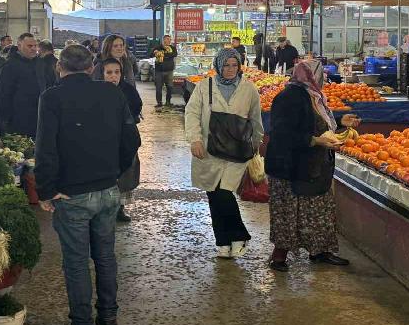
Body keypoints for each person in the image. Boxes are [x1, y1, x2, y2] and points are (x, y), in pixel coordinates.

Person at [35, 45, 140, 325]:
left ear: (59, 67)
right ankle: (108, 317)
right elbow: (132, 139)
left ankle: (81, 323)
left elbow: (45, 149)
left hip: (71, 194)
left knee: (76, 262)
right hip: (108, 190)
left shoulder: (51, 97)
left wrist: (46, 190)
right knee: (105, 257)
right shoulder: (112, 93)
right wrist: (114, 171)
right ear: (92, 67)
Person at [265, 60, 359, 272]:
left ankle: (320, 251)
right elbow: (281, 134)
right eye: (320, 75)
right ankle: (279, 256)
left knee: (318, 211)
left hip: (313, 166)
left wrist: (340, 122)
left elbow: (317, 123)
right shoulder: (288, 98)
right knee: (287, 213)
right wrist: (315, 141)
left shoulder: (315, 96)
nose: (323, 79)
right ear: (309, 76)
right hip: (289, 167)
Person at [184, 48, 264, 258]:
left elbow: (255, 119)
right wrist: (195, 139)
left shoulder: (249, 89)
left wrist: (256, 144)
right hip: (209, 150)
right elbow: (192, 113)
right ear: (218, 66)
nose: (230, 69)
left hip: (237, 151)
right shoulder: (204, 86)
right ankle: (222, 241)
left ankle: (239, 235)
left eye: (234, 65)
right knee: (213, 194)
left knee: (224, 192)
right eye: (226, 65)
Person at [100, 57, 143, 223]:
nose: (113, 76)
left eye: (117, 72)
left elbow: (137, 106)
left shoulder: (128, 90)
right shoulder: (96, 91)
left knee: (126, 174)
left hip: (125, 138)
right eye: (109, 72)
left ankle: (120, 208)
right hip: (104, 139)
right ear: (102, 74)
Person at [0, 33, 50, 137]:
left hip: (38, 118)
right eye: (30, 46)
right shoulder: (10, 66)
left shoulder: (40, 63)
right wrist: (5, 120)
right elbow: (2, 94)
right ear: (19, 46)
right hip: (18, 120)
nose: (34, 49)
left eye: (35, 46)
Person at [153, 34, 177, 109]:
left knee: (170, 87)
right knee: (158, 88)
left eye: (170, 39)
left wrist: (164, 54)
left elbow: (174, 54)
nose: (169, 41)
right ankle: (159, 103)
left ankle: (168, 102)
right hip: (159, 71)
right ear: (164, 40)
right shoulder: (158, 47)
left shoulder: (173, 48)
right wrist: (155, 52)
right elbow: (150, 54)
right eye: (167, 39)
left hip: (169, 71)